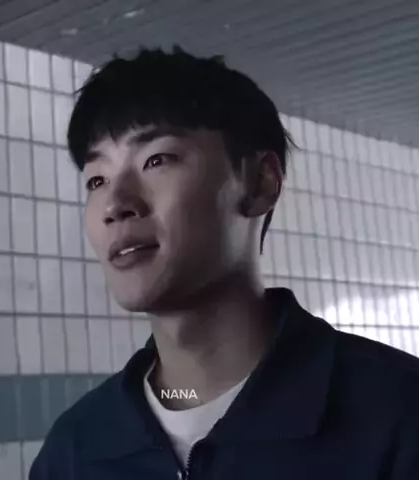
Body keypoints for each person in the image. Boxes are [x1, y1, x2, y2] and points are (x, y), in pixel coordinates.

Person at [30, 47, 419, 480]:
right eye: (96, 180)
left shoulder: (398, 415)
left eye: (157, 160)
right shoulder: (74, 450)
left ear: (260, 183)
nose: (114, 204)